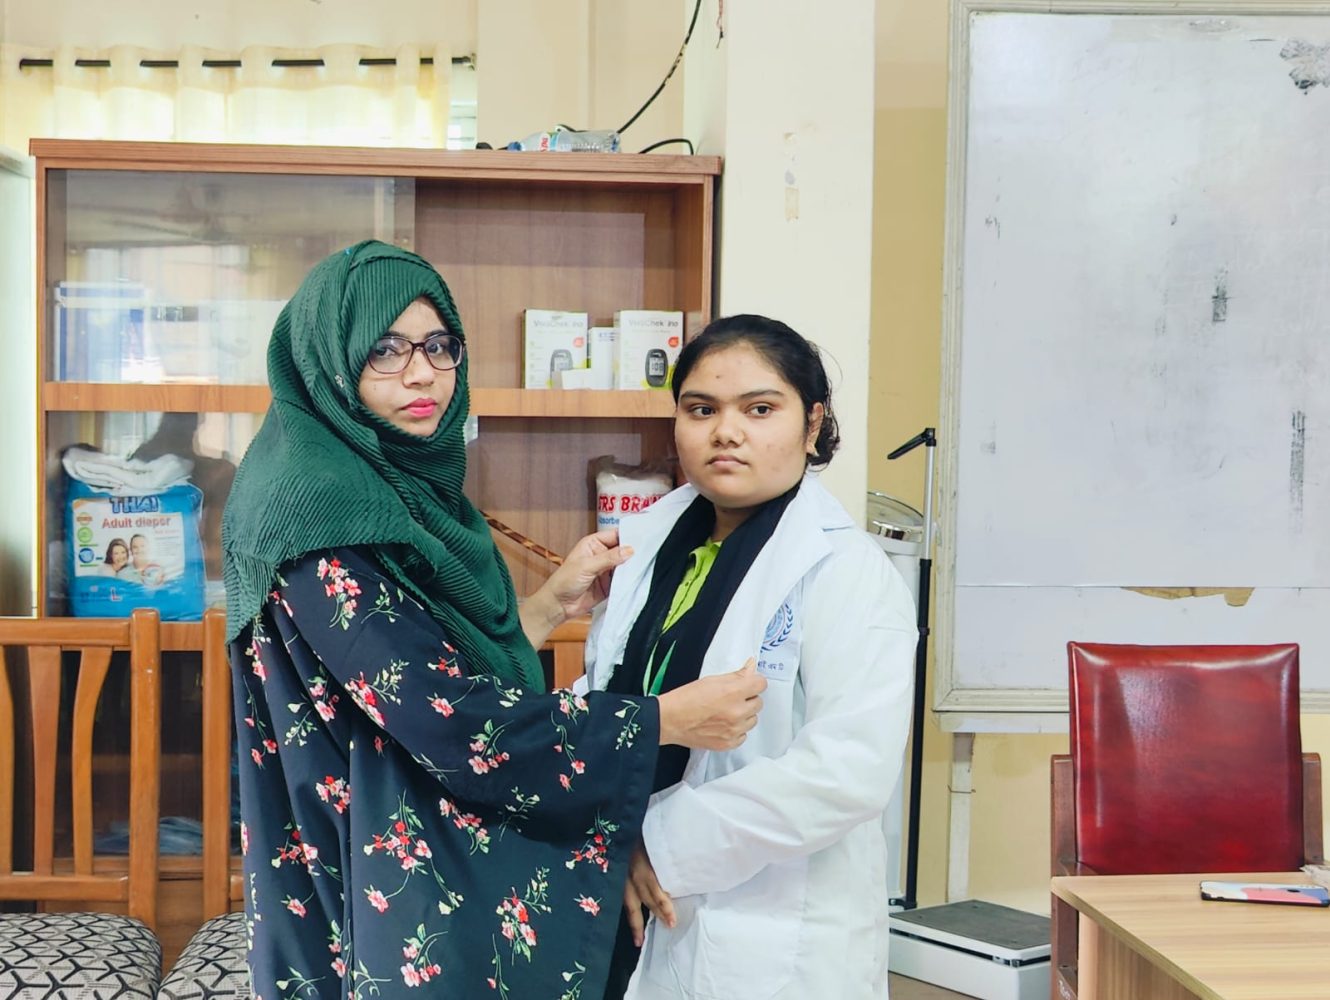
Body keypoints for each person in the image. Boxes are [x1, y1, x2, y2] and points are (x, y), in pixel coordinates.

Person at [221, 241, 765, 1000]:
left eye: (439, 346)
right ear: (329, 361)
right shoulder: (319, 511)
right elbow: (447, 720)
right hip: (379, 871)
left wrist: (544, 608)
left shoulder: (390, 482)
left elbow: (407, 659)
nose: (422, 374)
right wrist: (661, 721)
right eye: (385, 350)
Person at [587, 315, 918, 999]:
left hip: (768, 932)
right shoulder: (647, 543)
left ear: (812, 422)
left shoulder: (845, 569)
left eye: (759, 409)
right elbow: (609, 693)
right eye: (700, 409)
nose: (726, 432)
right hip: (620, 886)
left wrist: (658, 845)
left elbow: (847, 772)